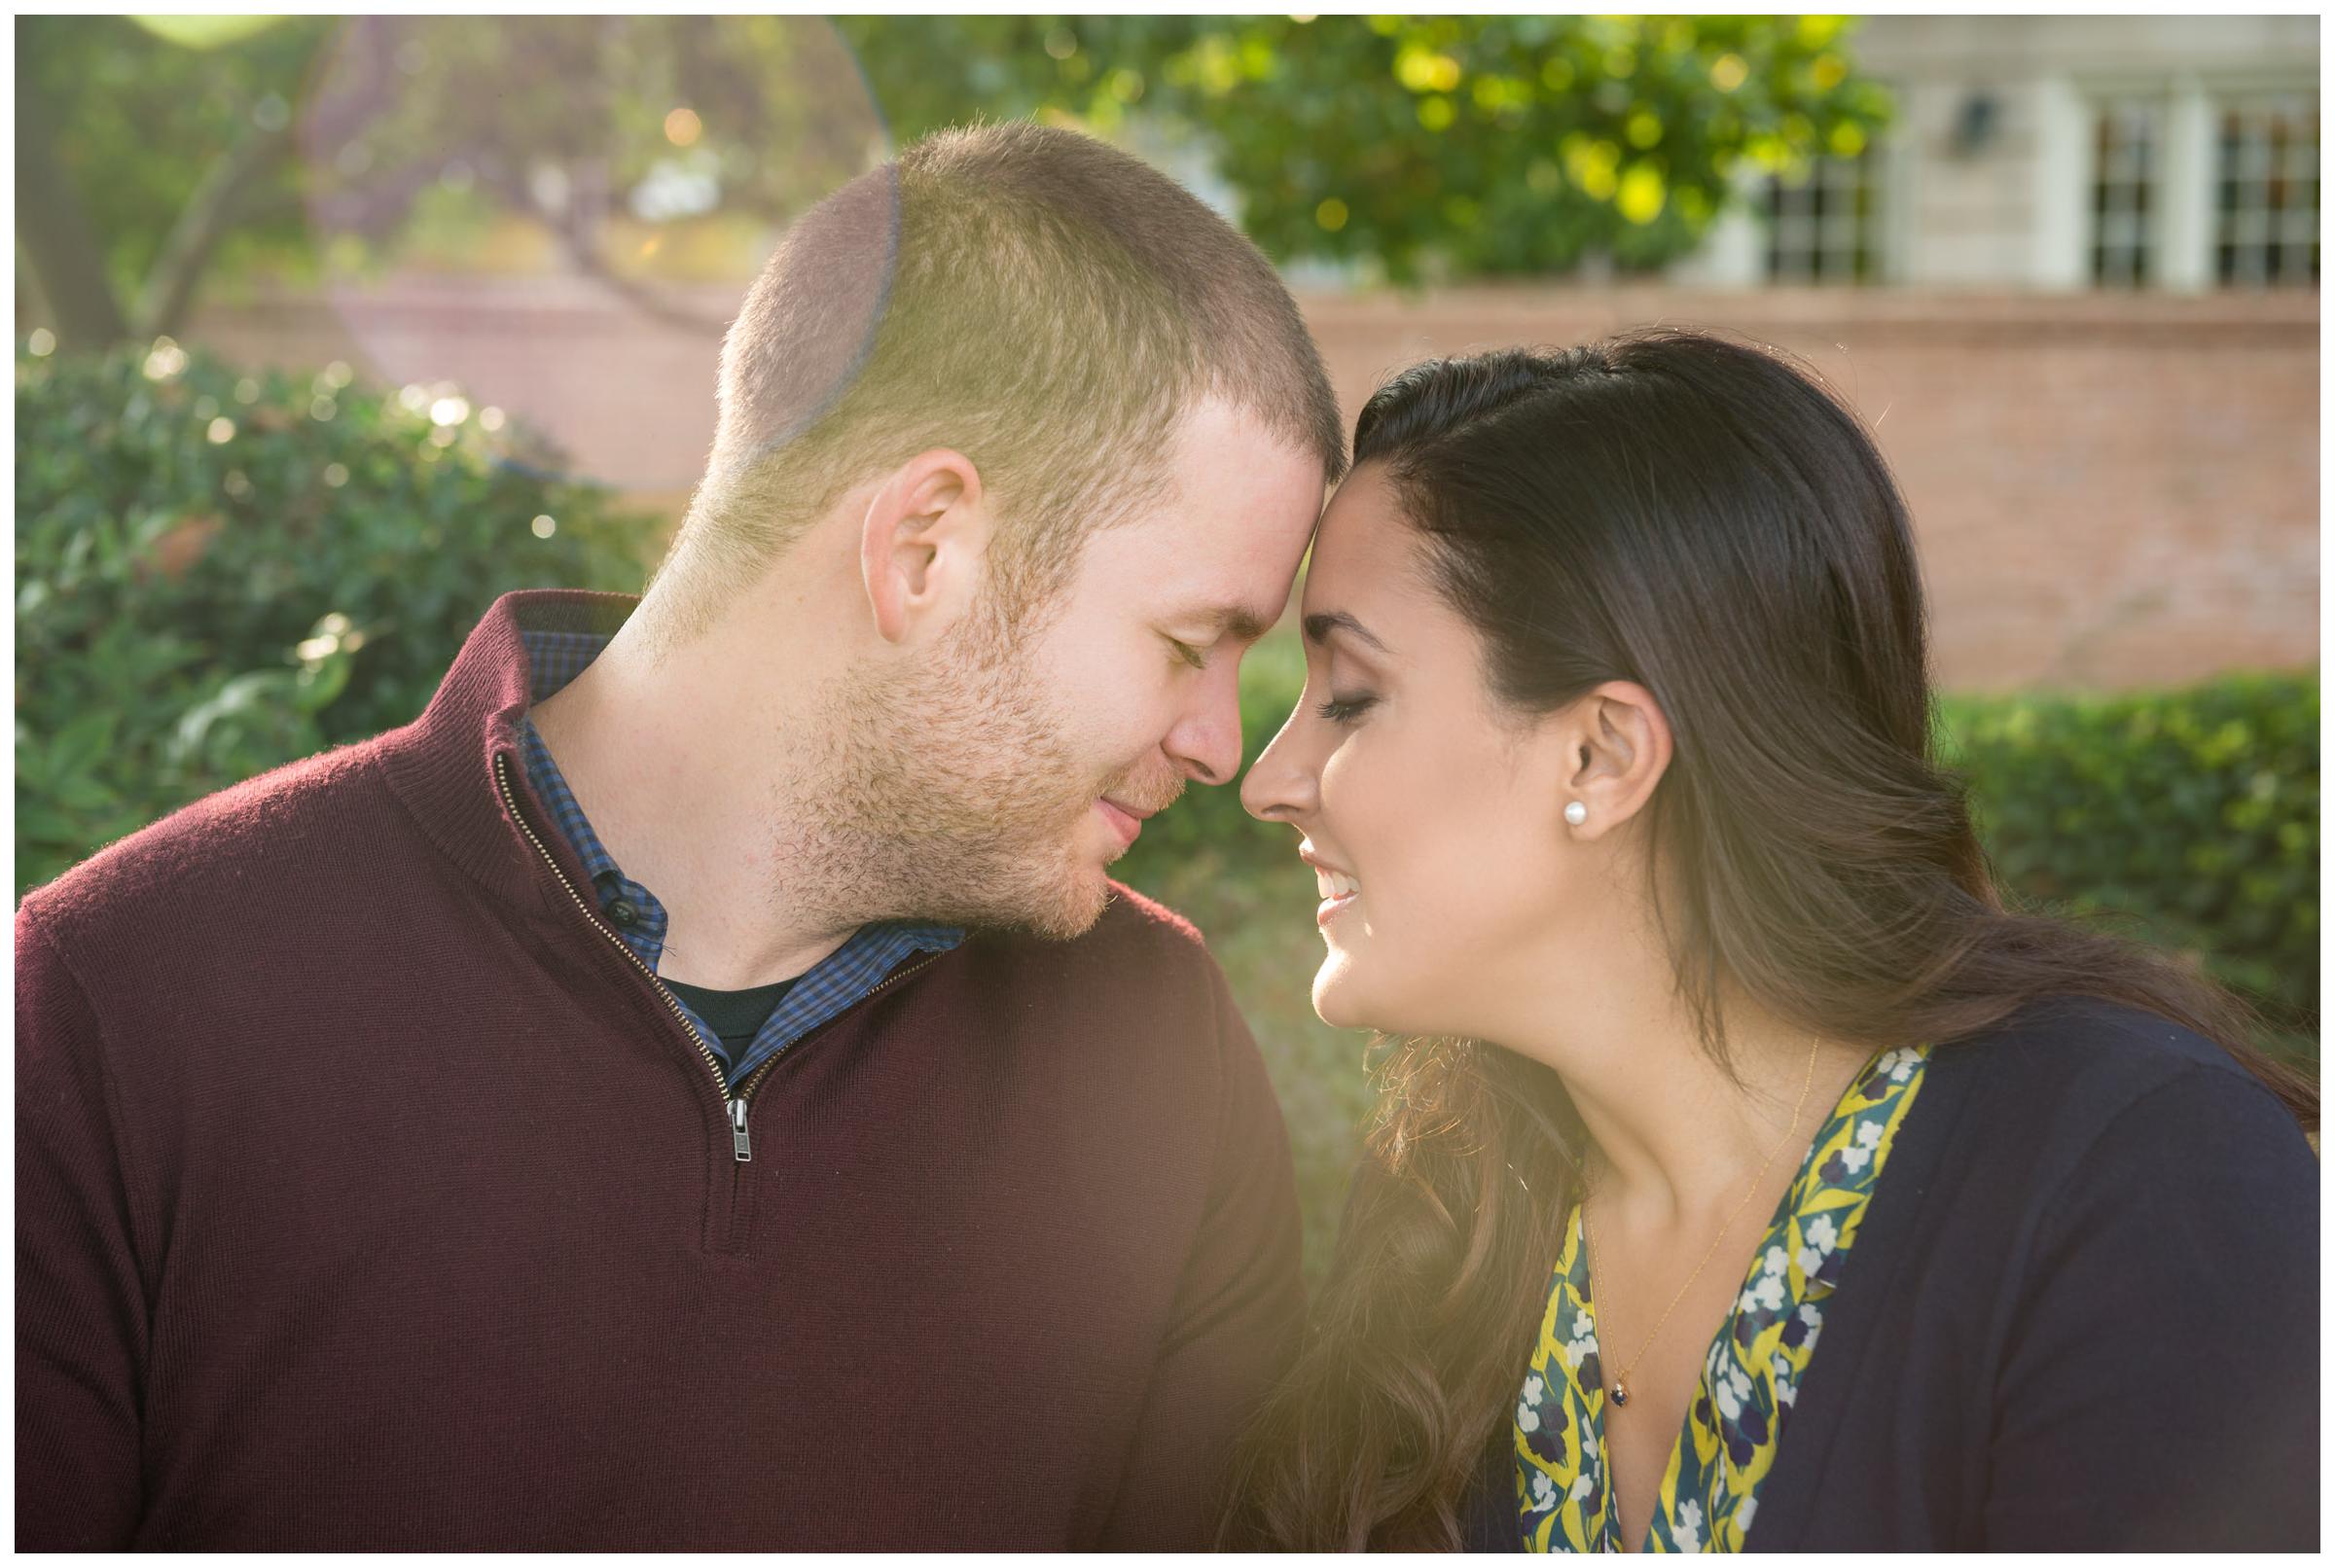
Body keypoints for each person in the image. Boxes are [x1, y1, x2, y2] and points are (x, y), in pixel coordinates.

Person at [17, 121, 1347, 1550]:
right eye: (1193, 641)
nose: (1226, 742)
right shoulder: (110, 1006)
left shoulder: (1160, 1047)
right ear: (926, 549)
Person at [1229, 330, 2320, 1551]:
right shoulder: (1456, 1211)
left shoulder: (2136, 1180)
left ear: (1601, 754)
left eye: (1350, 696)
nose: (1265, 777)